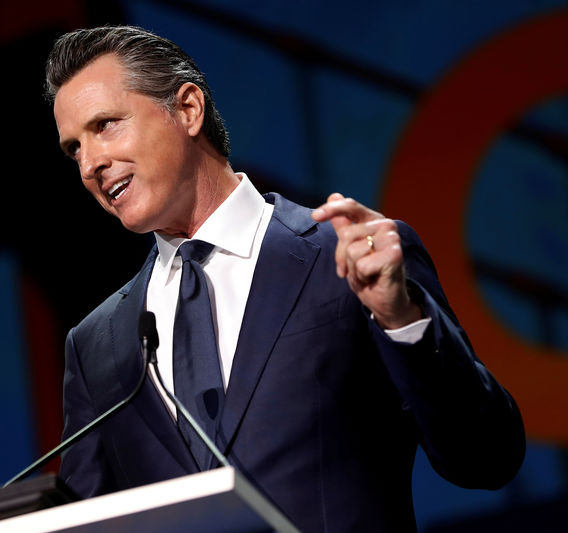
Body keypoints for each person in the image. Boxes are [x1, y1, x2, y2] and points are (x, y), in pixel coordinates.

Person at [45, 25, 525, 532]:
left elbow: (486, 459)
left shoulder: (347, 258)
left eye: (106, 125)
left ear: (187, 109)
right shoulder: (98, 344)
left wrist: (401, 318)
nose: (90, 164)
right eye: (74, 148)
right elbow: (86, 517)